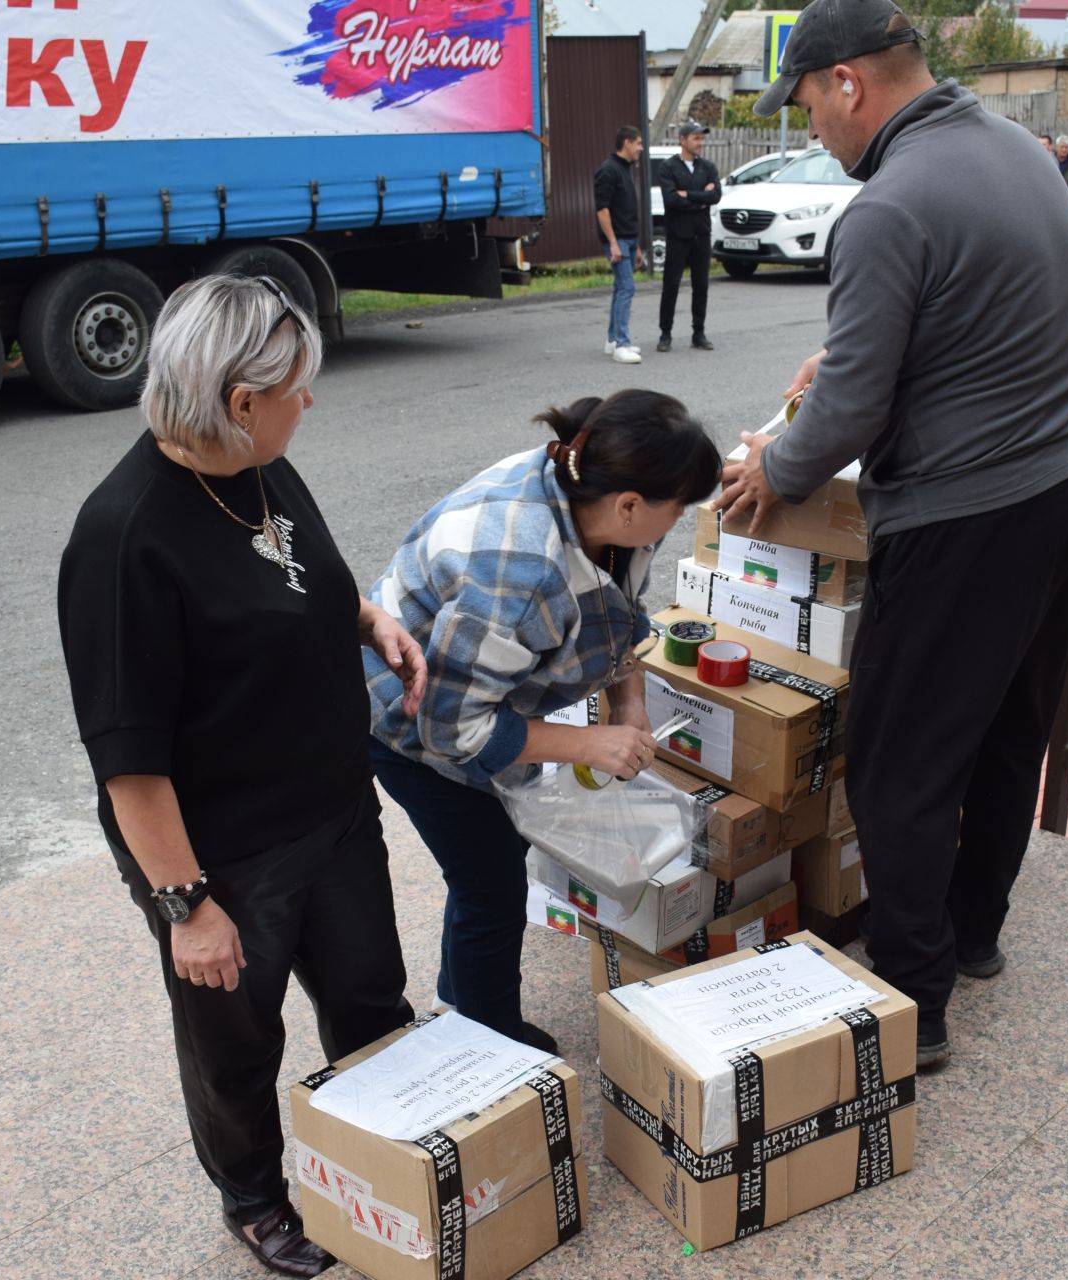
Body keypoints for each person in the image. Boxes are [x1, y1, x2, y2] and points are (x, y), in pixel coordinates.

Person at [720, 0, 1068, 1069]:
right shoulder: (1022, 154)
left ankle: (911, 996)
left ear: (849, 82)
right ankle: (972, 932)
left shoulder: (887, 205)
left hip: (965, 512)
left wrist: (775, 467)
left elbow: (845, 414)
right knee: (1002, 726)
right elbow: (1005, 313)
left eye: (807, 104)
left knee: (896, 761)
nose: (813, 131)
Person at [58, 275, 426, 1278]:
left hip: (332, 808)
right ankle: (255, 1196)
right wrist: (188, 904)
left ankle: (386, 1155)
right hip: (222, 853)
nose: (311, 400)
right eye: (297, 387)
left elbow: (309, 574)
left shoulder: (259, 464)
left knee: (368, 994)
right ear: (237, 399)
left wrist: (370, 621)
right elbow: (129, 763)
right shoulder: (125, 537)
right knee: (234, 1039)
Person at [364, 391, 721, 1051]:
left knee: (496, 860)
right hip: (408, 719)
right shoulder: (521, 570)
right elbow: (452, 732)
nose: (682, 520)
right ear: (631, 505)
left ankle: (461, 998)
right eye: (680, 508)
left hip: (473, 692)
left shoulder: (589, 483)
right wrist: (588, 742)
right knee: (490, 880)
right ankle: (487, 1040)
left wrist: (628, 702)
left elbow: (623, 610)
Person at [658, 120, 721, 352]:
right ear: (682, 140)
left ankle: (699, 332)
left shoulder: (708, 167)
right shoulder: (668, 167)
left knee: (701, 285)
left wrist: (689, 195)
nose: (700, 142)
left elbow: (715, 196)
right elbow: (671, 199)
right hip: (677, 235)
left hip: (701, 235)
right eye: (696, 138)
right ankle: (665, 333)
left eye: (702, 138)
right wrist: (699, 198)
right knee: (671, 285)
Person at [594, 125, 648, 365]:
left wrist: (635, 245)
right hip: (617, 241)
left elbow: (625, 212)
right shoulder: (608, 170)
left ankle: (612, 340)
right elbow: (602, 210)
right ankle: (622, 344)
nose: (641, 148)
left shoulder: (625, 169)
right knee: (627, 288)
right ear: (626, 142)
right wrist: (614, 244)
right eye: (638, 143)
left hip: (628, 239)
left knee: (621, 288)